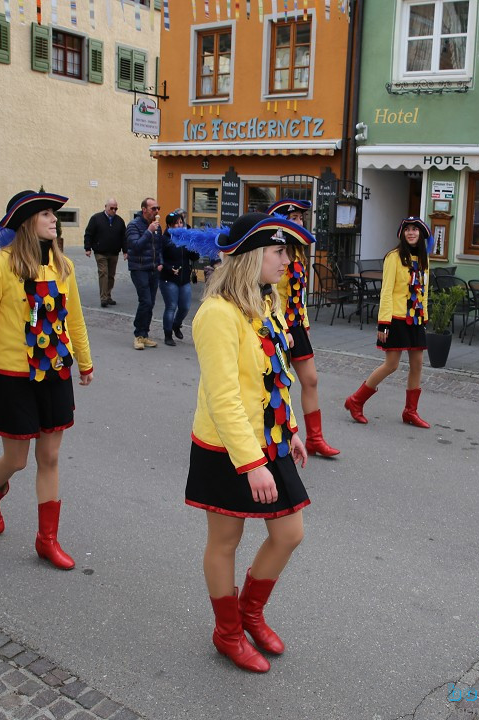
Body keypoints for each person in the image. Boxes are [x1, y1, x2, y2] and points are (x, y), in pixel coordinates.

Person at [186, 212, 312, 673]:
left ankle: (250, 612)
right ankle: (227, 631)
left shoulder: (267, 302)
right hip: (228, 446)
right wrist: (251, 464)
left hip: (269, 440)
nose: (287, 261)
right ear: (253, 256)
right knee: (226, 539)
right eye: (279, 252)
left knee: (289, 532)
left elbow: (276, 376)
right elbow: (223, 399)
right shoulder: (216, 314)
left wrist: (292, 429)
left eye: (287, 252)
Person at [0, 190, 94, 570]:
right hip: (13, 376)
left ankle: (47, 540)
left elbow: (74, 317)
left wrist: (85, 361)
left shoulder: (63, 266)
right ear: (26, 222)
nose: (54, 220)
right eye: (46, 214)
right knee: (18, 459)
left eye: (54, 215)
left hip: (55, 373)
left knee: (51, 456)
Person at [345, 217, 432, 428]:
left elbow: (424, 291)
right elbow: (386, 292)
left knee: (417, 365)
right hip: (396, 318)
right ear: (402, 234)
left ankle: (410, 411)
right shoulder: (393, 257)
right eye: (408, 230)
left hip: (415, 318)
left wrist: (425, 316)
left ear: (421, 235)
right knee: (391, 365)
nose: (411, 233)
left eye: (415, 230)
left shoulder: (423, 259)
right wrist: (384, 323)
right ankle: (355, 401)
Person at [269, 199, 340, 457]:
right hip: (277, 326)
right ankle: (275, 437)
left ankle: (315, 439)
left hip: (296, 326)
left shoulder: (298, 250)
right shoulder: (271, 251)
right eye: (293, 218)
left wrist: (304, 323)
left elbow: (301, 294)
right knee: (277, 384)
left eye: (300, 218)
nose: (299, 222)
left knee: (311, 380)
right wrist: (282, 328)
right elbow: (271, 294)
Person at [126, 197, 162, 349]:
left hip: (153, 268)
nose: (157, 211)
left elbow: (158, 247)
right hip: (139, 268)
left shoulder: (157, 227)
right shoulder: (134, 225)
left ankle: (145, 334)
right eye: (153, 208)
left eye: (157, 208)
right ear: (144, 209)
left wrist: (160, 262)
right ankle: (138, 335)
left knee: (151, 302)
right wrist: (149, 231)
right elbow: (135, 246)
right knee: (145, 301)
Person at [159, 210, 196, 346]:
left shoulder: (185, 238)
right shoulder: (164, 239)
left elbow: (193, 257)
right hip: (169, 278)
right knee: (171, 306)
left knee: (185, 306)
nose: (180, 225)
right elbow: (159, 258)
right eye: (176, 223)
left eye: (181, 222)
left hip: (184, 278)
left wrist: (193, 246)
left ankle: (176, 324)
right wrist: (169, 268)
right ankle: (167, 335)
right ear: (169, 226)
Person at [83, 198, 126, 307]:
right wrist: (87, 248)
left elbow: (124, 237)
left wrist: (125, 251)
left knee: (111, 275)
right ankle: (103, 298)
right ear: (106, 207)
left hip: (114, 252)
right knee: (103, 273)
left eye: (116, 208)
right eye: (111, 208)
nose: (114, 210)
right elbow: (89, 233)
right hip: (100, 252)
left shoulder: (119, 221)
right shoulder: (96, 218)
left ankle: (108, 295)